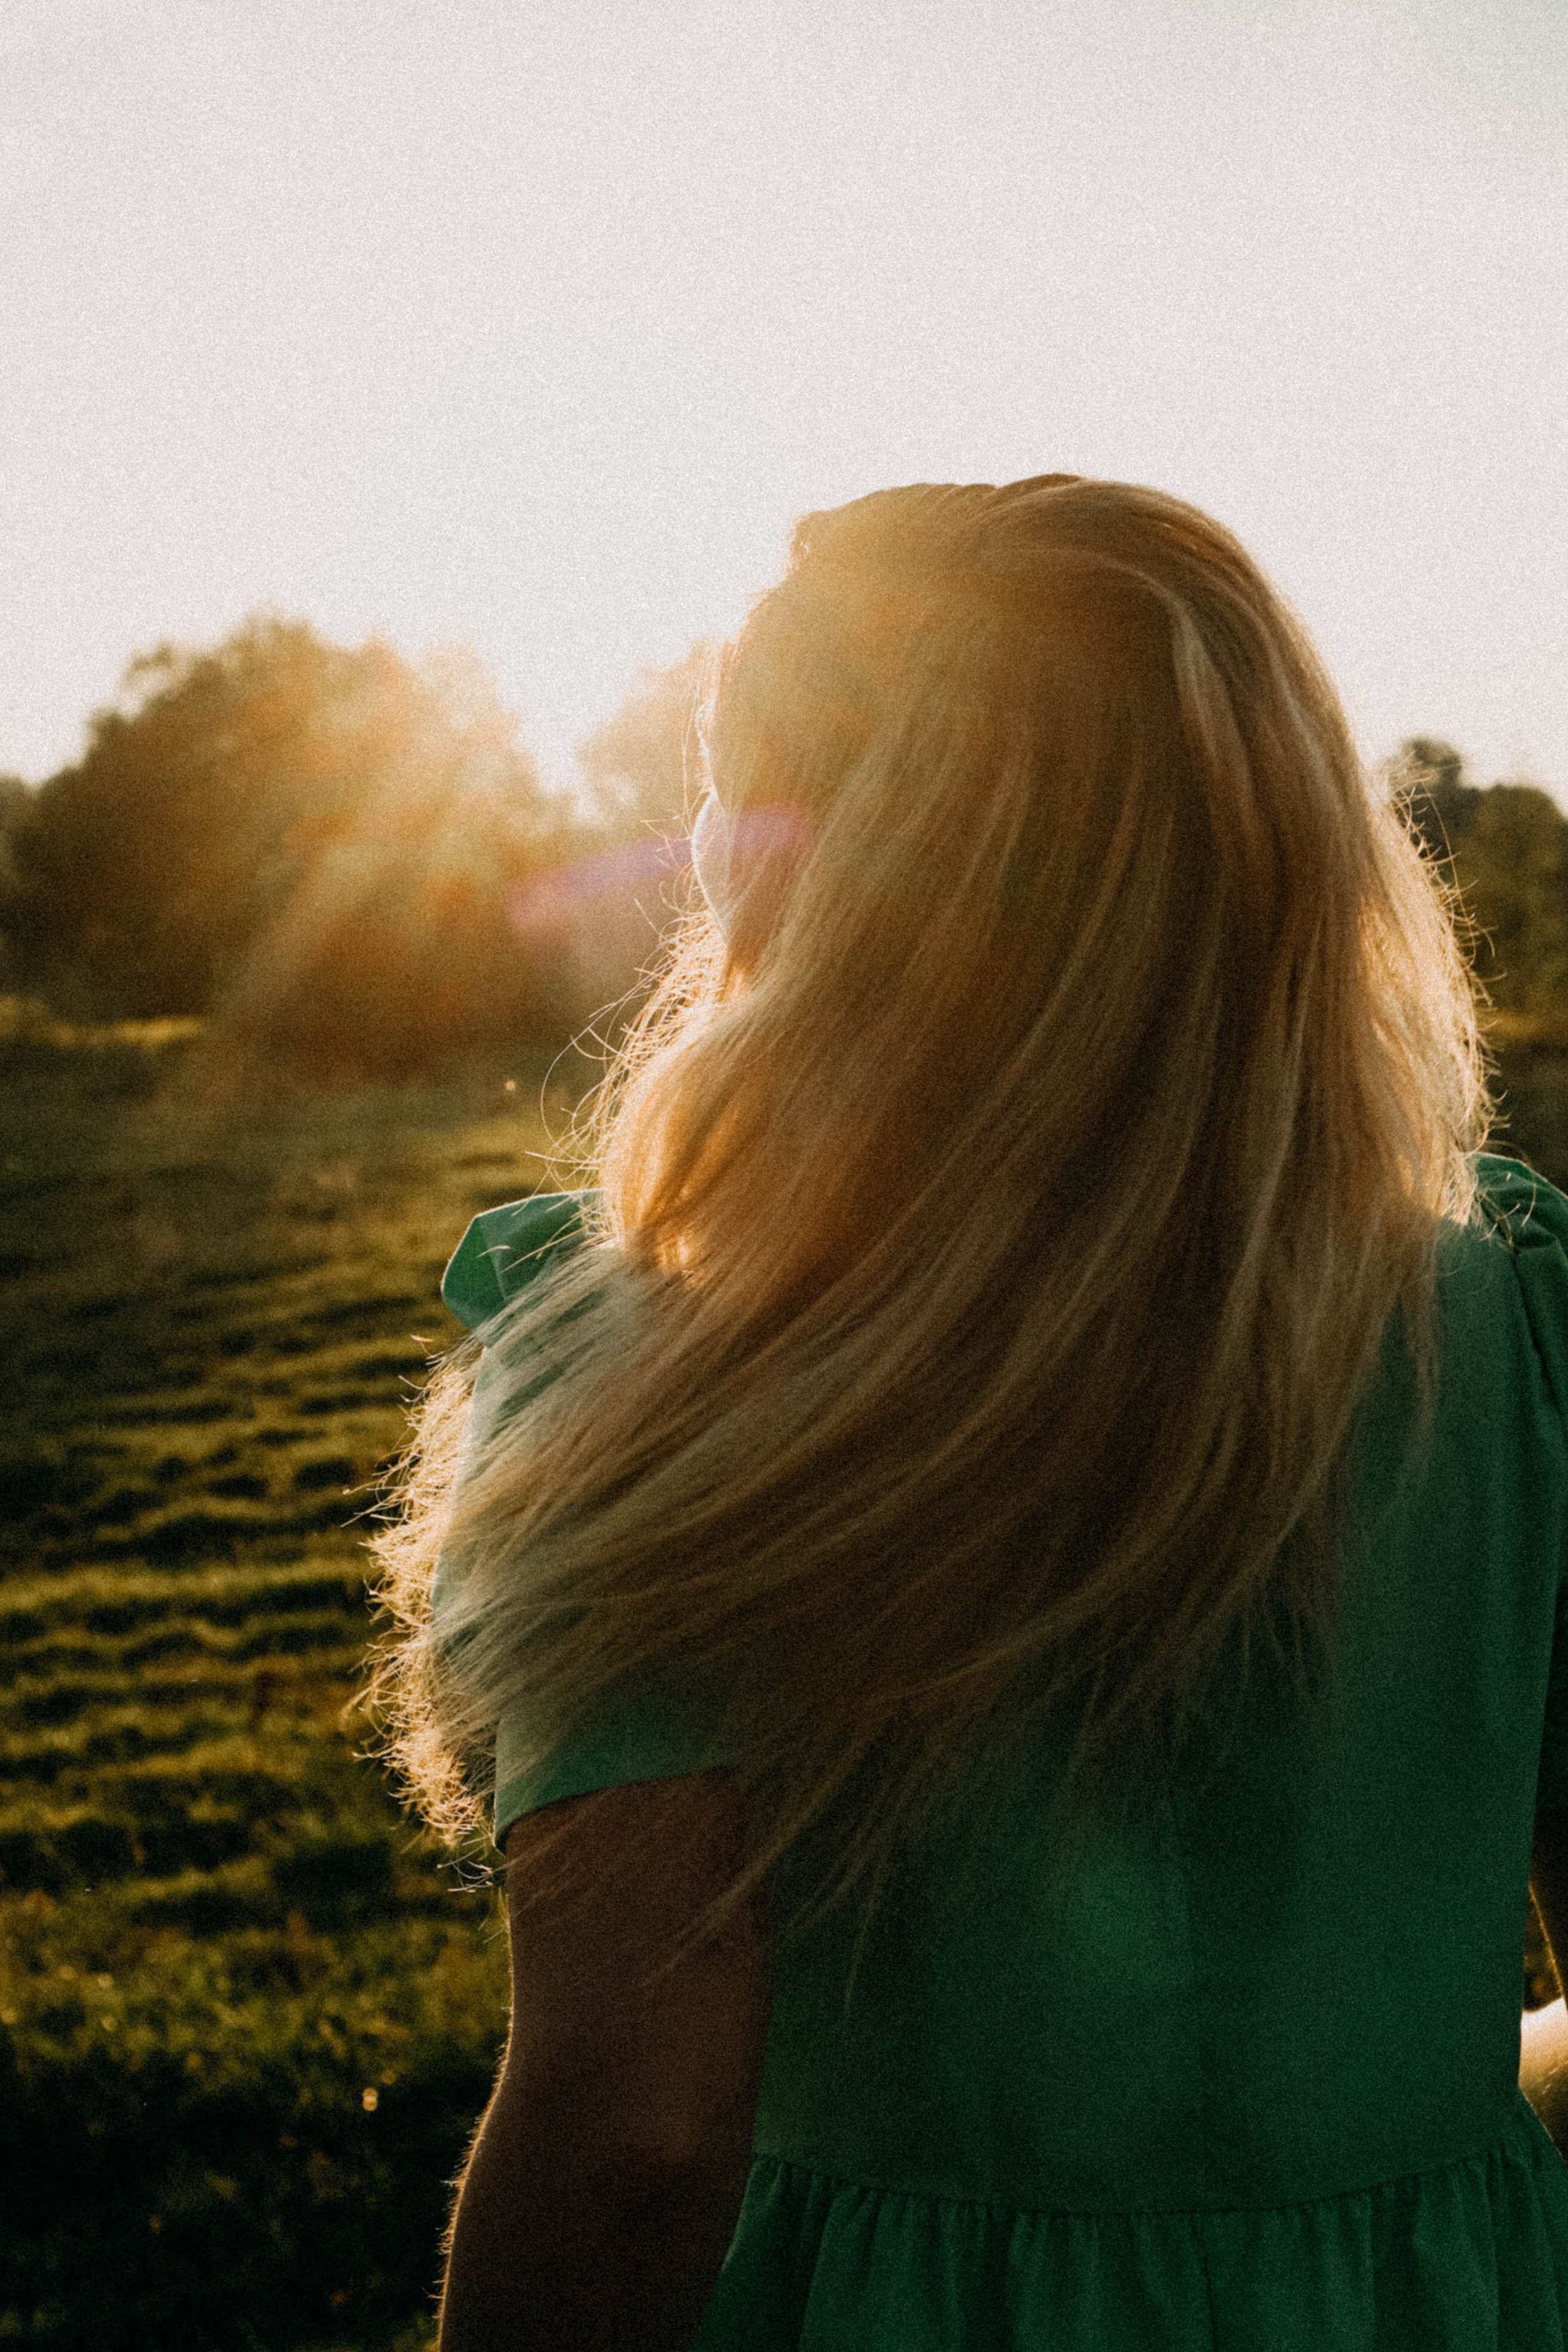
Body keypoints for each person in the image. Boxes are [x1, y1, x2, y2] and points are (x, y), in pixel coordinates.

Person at [370, 475, 1568, 2350]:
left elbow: (634, 2146)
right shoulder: (1520, 1344)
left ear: (796, 862)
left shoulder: (648, 1372)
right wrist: (1395, 2143)